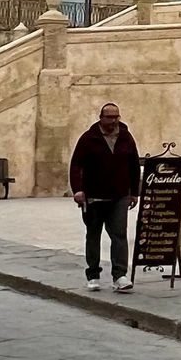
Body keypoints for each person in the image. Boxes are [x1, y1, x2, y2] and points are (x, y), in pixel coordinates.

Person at [69, 102, 141, 293]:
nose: (113, 121)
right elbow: (76, 165)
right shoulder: (88, 138)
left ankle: (120, 275)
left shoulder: (126, 137)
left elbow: (134, 165)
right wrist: (78, 190)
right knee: (93, 235)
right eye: (109, 117)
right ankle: (93, 274)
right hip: (94, 196)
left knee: (119, 235)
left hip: (119, 195)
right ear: (101, 117)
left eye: (116, 117)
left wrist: (134, 192)